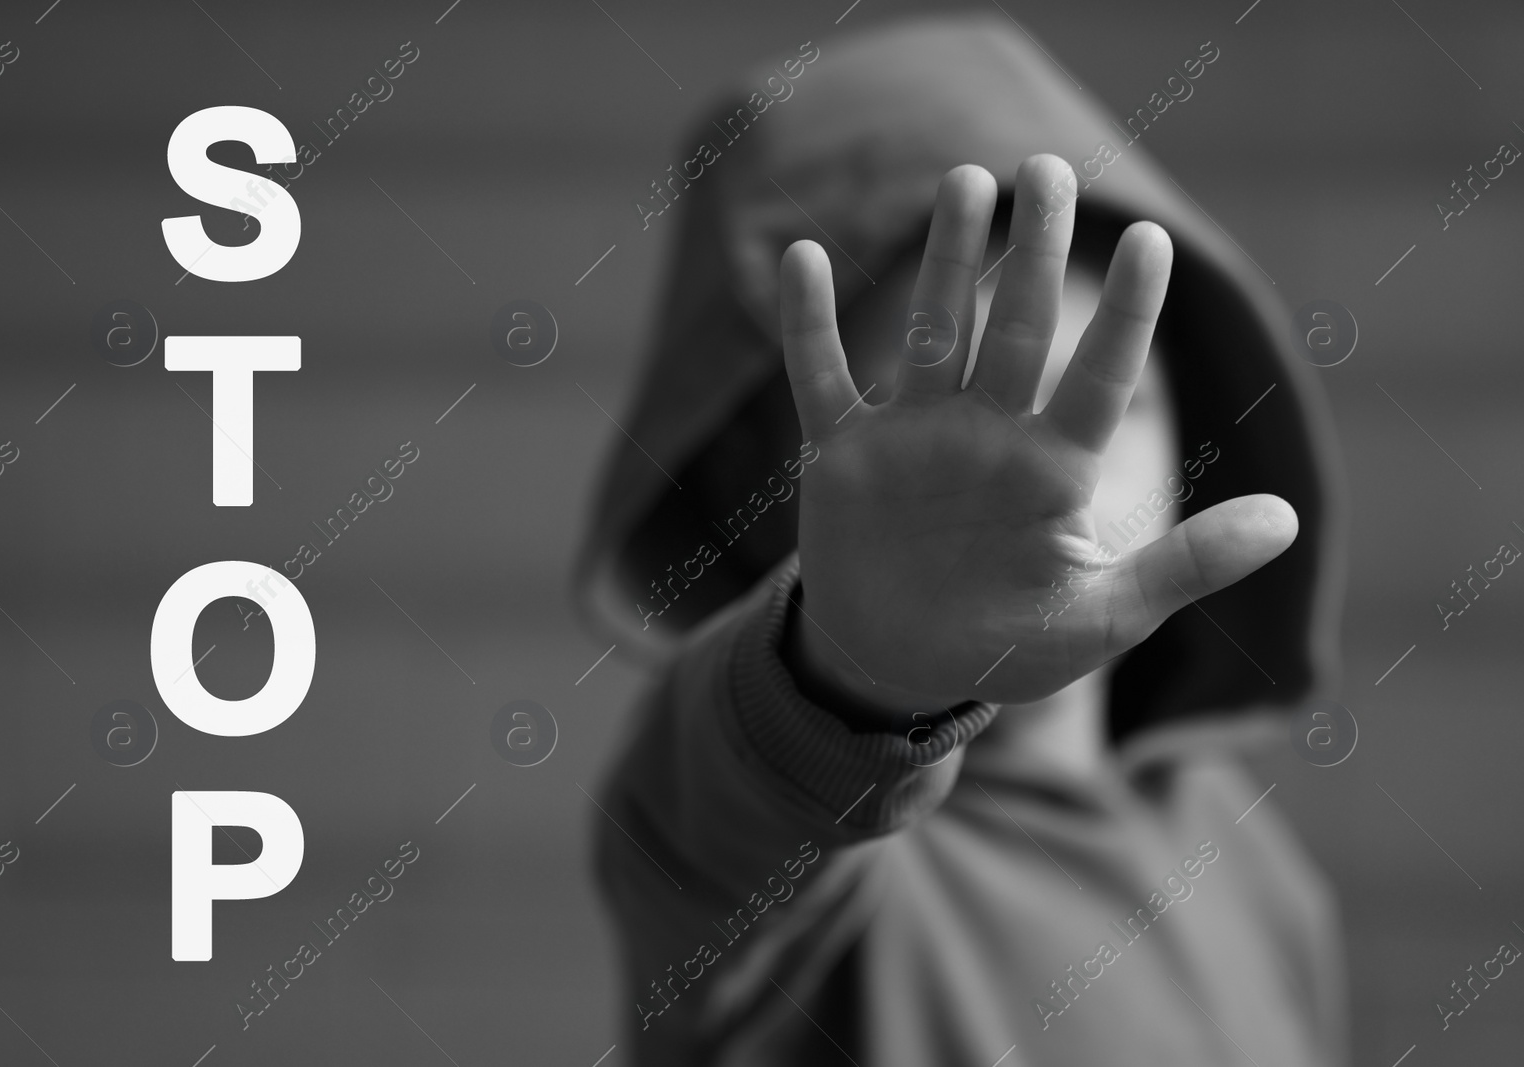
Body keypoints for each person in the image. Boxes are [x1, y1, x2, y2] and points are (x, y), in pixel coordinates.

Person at [575, 15, 1349, 1065]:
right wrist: (857, 667)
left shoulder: (1248, 862)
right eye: (943, 428)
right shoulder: (793, 861)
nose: (1054, 487)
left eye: (1111, 407)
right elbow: (712, 810)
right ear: (762, 482)